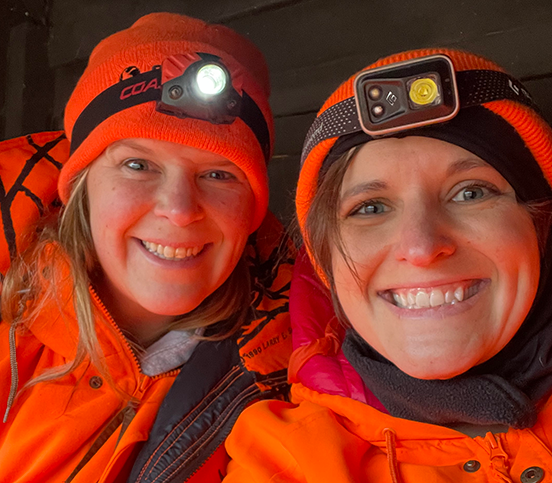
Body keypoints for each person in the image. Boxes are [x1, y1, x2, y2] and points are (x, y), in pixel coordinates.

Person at [0, 12, 292, 483]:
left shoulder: (293, 391)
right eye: (138, 164)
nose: (179, 209)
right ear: (81, 186)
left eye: (218, 174)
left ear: (252, 209)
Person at [223, 48, 552, 481]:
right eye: (371, 207)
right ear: (327, 264)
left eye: (470, 193)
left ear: (541, 228)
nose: (421, 247)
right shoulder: (287, 459)